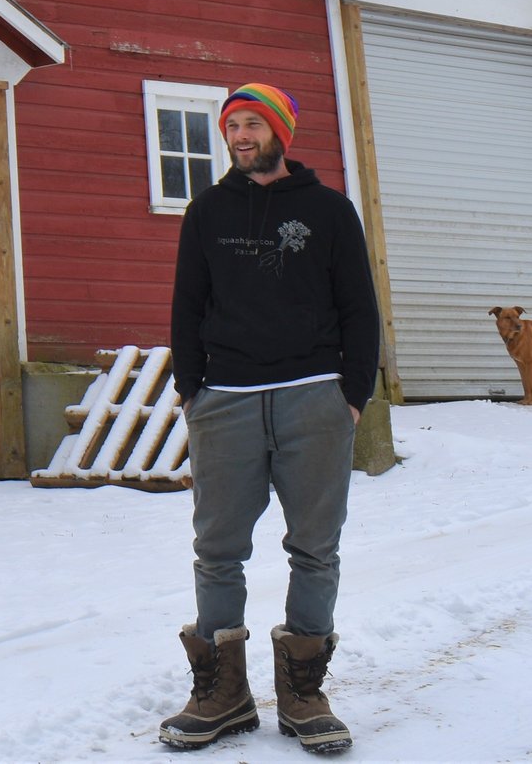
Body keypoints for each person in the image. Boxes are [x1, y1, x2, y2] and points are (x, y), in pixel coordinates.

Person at [159, 82, 380, 755]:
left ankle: (303, 692)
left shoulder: (330, 210)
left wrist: (352, 393)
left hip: (313, 394)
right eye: (234, 126)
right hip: (224, 399)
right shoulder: (206, 211)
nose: (242, 135)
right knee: (217, 549)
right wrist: (192, 389)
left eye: (254, 123)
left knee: (315, 546)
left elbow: (359, 306)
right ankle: (221, 695)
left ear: (281, 130)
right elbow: (187, 304)